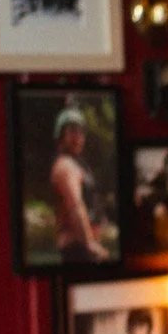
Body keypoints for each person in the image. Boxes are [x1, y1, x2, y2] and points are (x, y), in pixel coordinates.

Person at [50, 103, 108, 262]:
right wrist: (89, 243)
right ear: (61, 135)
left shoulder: (76, 164)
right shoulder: (65, 166)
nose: (78, 137)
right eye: (73, 131)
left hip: (83, 247)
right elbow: (76, 204)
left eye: (81, 132)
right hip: (77, 248)